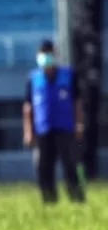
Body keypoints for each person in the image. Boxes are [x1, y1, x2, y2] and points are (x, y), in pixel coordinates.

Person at [23, 39, 86, 204]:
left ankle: (77, 198)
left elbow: (77, 103)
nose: (46, 60)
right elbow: (28, 107)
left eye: (49, 55)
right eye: (43, 56)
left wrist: (79, 125)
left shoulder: (68, 75)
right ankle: (49, 200)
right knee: (43, 167)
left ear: (55, 55)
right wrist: (28, 131)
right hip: (43, 128)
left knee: (70, 165)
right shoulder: (33, 79)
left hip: (65, 128)